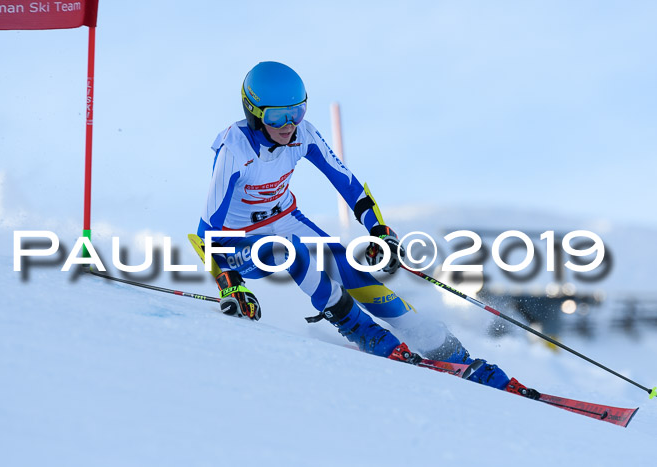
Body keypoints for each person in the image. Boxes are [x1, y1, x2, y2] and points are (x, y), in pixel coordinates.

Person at [196, 61, 521, 392]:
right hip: (240, 243)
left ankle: (450, 351)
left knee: (350, 270)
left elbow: (350, 186)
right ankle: (359, 328)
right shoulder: (234, 149)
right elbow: (206, 231)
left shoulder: (302, 134)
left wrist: (379, 230)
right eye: (276, 116)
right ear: (253, 113)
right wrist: (229, 284)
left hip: (284, 218)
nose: (289, 124)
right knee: (289, 251)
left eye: (297, 111)